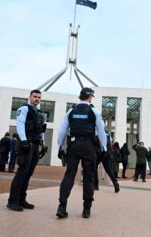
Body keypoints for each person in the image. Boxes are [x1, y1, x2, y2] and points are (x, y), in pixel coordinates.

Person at [56, 87, 106, 219]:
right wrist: (104, 147)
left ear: (80, 96)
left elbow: (62, 131)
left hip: (73, 145)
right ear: (90, 97)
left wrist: (60, 146)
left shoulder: (71, 111)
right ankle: (86, 209)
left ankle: (62, 207)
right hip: (88, 146)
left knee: (69, 175)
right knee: (89, 176)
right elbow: (101, 131)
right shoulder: (94, 111)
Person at [7, 89, 47, 211]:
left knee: (29, 173)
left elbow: (41, 130)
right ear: (30, 97)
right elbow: (20, 125)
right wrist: (24, 141)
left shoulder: (39, 113)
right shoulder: (24, 109)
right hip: (26, 143)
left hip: (35, 144)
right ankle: (12, 201)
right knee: (22, 171)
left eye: (39, 97)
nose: (37, 99)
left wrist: (43, 144)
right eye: (35, 96)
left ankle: (21, 199)